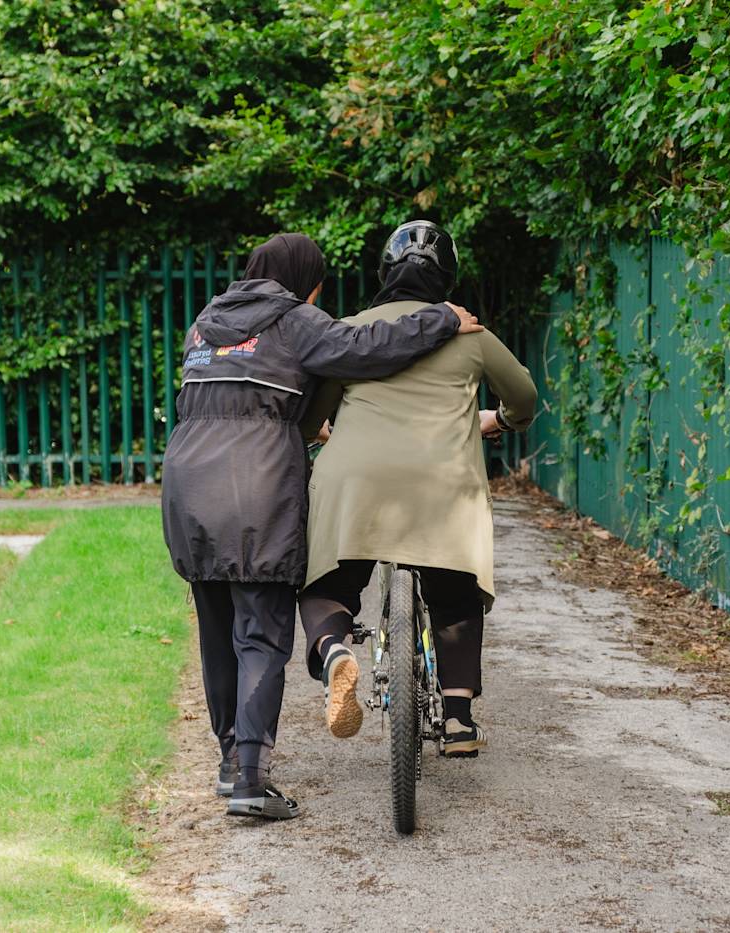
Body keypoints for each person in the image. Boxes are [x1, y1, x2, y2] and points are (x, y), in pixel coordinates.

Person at [160, 232, 483, 820]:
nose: (317, 294)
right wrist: (440, 320)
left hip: (187, 486)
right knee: (260, 632)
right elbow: (365, 347)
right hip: (254, 486)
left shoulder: (205, 326)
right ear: (301, 279)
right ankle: (252, 783)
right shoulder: (296, 320)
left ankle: (232, 763)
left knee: (216, 630)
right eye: (316, 284)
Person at [298, 220, 537, 757]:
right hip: (443, 487)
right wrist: (503, 420)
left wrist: (326, 432)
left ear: (385, 272)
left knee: (327, 587)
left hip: (355, 483)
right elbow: (524, 394)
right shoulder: (469, 333)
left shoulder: (353, 329)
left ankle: (335, 649)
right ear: (447, 277)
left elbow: (313, 415)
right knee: (454, 594)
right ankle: (457, 721)